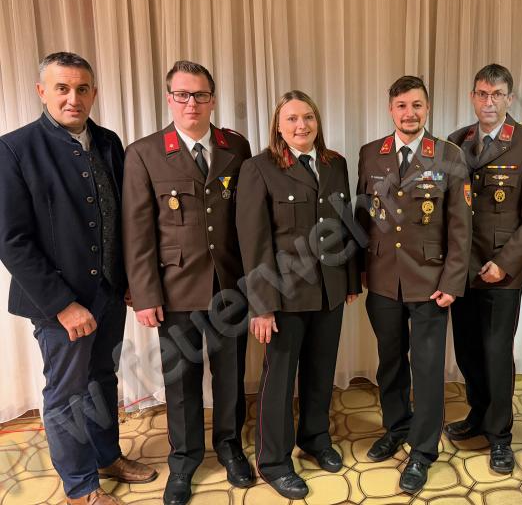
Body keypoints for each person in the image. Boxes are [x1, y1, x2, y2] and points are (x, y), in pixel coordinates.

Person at [0, 52, 157, 505]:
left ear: (94, 92)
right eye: (62, 88)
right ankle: (81, 487)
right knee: (66, 394)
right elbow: (11, 240)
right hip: (60, 303)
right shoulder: (15, 148)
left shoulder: (108, 142)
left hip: (109, 292)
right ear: (41, 92)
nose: (74, 98)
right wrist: (62, 305)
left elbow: (123, 218)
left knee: (103, 378)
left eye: (82, 88)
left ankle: (107, 457)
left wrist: (130, 278)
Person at [122, 60, 253, 505]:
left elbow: (246, 218)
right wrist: (145, 294)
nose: (191, 103)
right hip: (175, 287)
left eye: (200, 95)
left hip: (230, 285)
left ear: (212, 100)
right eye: (182, 94)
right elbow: (137, 231)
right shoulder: (144, 153)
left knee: (230, 373)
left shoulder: (236, 146)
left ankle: (230, 447)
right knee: (180, 381)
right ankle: (183, 461)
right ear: (169, 99)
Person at [236, 90, 360, 500]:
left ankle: (315, 438)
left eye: (308, 117)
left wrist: (350, 280)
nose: (301, 125)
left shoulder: (335, 163)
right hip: (283, 297)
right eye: (291, 118)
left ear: (317, 121)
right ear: (278, 125)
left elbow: (344, 224)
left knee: (321, 371)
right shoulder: (259, 168)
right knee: (279, 381)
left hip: (329, 290)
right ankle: (273, 461)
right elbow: (254, 242)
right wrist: (261, 306)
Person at [356, 75, 472, 493]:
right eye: (402, 105)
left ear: (428, 108)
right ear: (391, 109)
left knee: (427, 368)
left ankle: (423, 450)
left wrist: (453, 281)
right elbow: (362, 218)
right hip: (383, 280)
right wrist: (359, 272)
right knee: (389, 362)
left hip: (430, 282)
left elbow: (461, 225)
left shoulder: (449, 155)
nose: (410, 113)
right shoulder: (371, 153)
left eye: (417, 105)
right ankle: (397, 427)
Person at [446, 64, 522, 473]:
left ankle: (500, 435)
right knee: (467, 350)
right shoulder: (457, 141)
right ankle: (478, 414)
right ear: (472, 97)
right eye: (481, 93)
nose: (488, 102)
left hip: (500, 272)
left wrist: (505, 264)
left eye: (496, 94)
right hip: (462, 269)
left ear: (509, 98)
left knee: (495, 352)